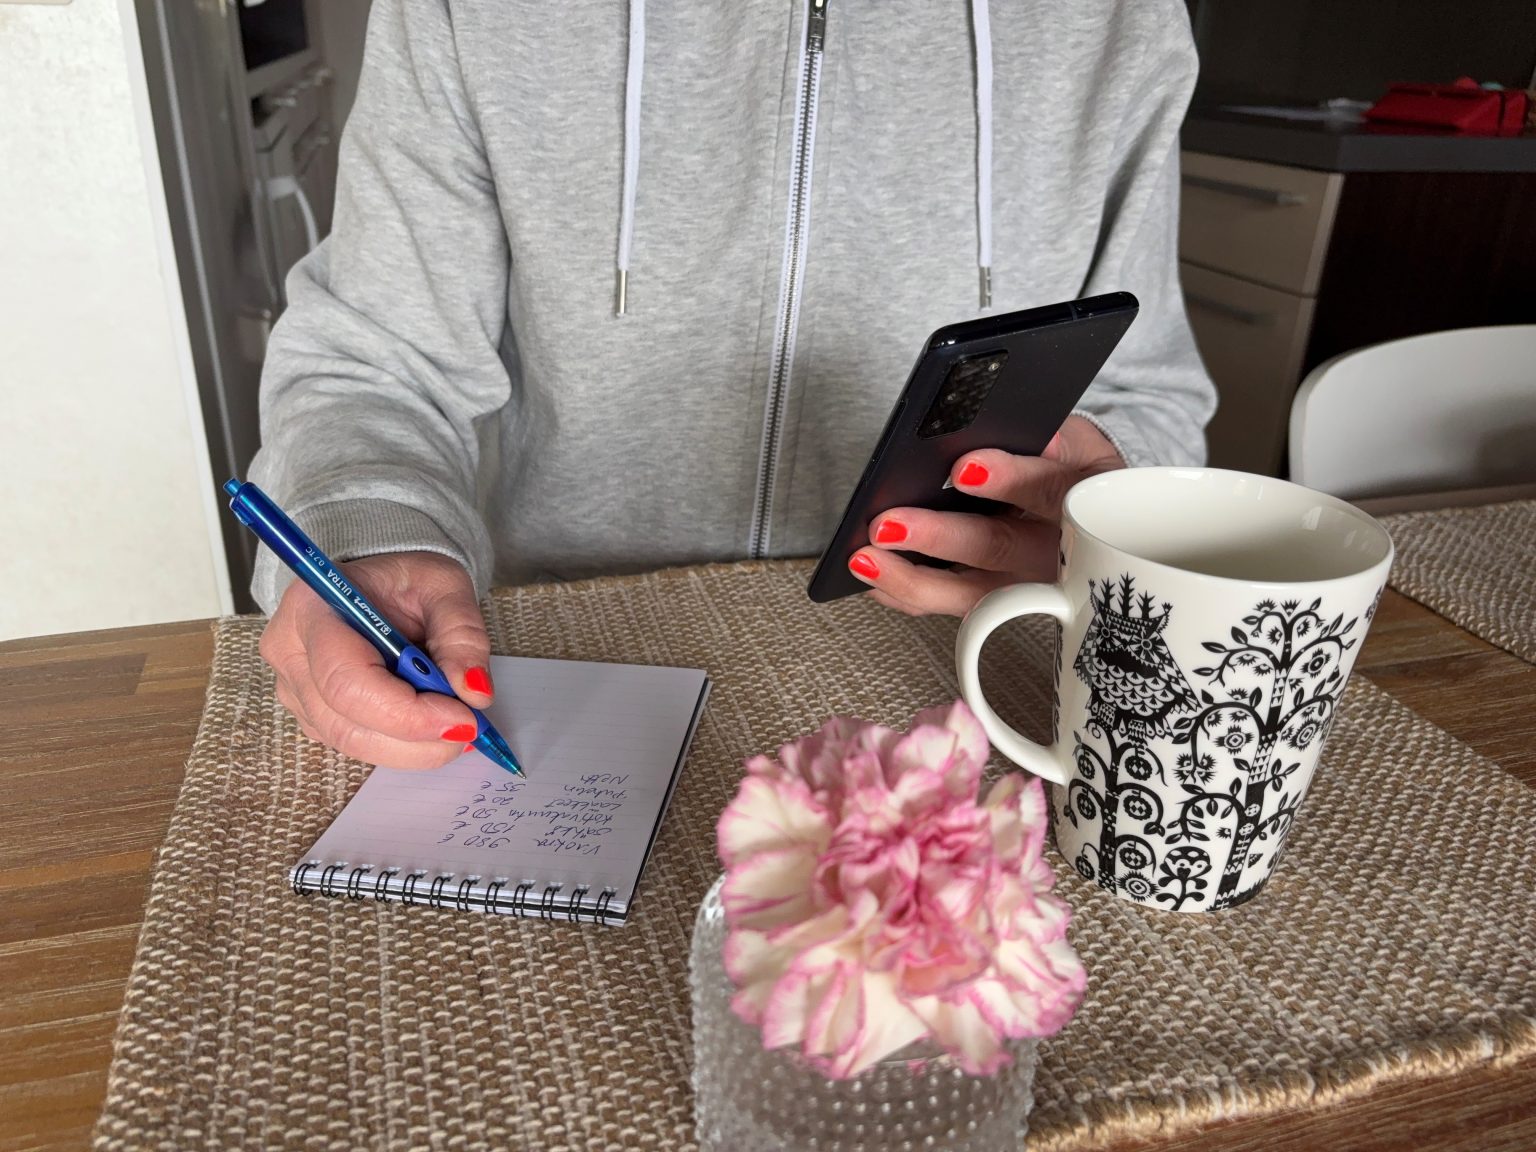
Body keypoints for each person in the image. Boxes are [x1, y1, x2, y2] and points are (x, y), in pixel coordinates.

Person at [250, 0, 1215, 770]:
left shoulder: (1120, 19)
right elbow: (374, 360)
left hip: (965, 681)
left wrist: (1100, 526)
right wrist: (370, 531)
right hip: (557, 671)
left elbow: (1146, 401)